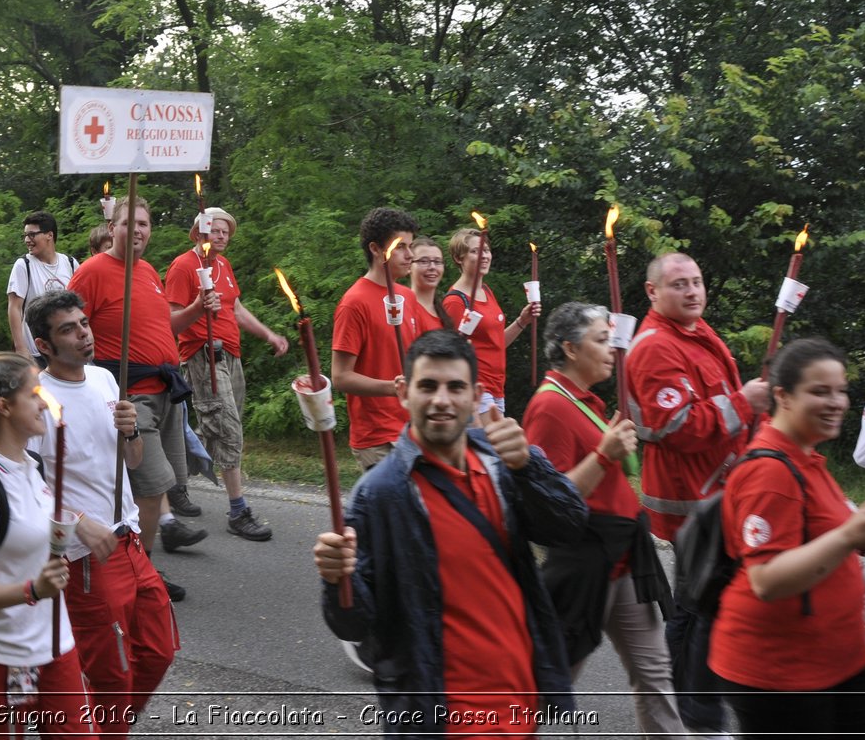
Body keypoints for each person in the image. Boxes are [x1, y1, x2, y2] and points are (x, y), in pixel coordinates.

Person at [314, 329, 588, 734]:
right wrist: (337, 579)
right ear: (404, 392)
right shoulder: (379, 494)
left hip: (521, 704)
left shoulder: (503, 462)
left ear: (477, 395)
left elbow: (568, 526)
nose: (441, 399)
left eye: (455, 387)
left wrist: (530, 467)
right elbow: (354, 625)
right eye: (428, 386)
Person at [709, 338, 865, 739]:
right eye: (819, 391)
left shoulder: (806, 456)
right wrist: (848, 534)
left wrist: (855, 527)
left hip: (837, 659)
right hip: (781, 672)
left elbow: (819, 537)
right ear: (783, 396)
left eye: (841, 390)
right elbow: (767, 580)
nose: (837, 402)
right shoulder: (770, 472)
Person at [522, 303, 683, 738]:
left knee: (654, 675)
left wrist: (609, 448)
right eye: (599, 340)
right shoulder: (549, 408)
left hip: (625, 560)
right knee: (552, 679)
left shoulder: (583, 401)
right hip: (584, 564)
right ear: (571, 349)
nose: (611, 348)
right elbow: (548, 504)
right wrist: (604, 454)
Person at [624, 251, 768, 736]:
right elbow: (679, 425)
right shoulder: (656, 347)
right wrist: (744, 402)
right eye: (680, 284)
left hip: (719, 495)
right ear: (653, 292)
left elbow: (724, 405)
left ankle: (680, 708)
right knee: (703, 607)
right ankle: (696, 717)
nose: (692, 292)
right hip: (694, 504)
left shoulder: (695, 332)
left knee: (695, 606)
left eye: (697, 282)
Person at [28, 289, 178, 737]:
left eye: (84, 324)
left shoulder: (105, 380)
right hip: (85, 557)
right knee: (111, 674)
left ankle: (90, 728)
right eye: (67, 330)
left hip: (129, 539)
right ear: (44, 345)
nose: (82, 335)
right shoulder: (36, 399)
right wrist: (76, 520)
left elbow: (130, 460)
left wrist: (131, 433)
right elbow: (24, 486)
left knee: (159, 651)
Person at [0, 352, 97, 736]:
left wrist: (79, 524)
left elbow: (34, 520)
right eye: (35, 394)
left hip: (54, 644)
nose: (44, 402)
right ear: (4, 407)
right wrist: (34, 589)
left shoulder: (32, 464)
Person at [67, 200, 212, 558]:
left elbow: (165, 326)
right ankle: (142, 571)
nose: (138, 230)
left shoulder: (147, 271)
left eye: (144, 223)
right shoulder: (93, 271)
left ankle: (139, 563)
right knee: (150, 487)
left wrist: (196, 308)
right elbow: (67, 326)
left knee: (164, 485)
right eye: (128, 222)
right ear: (112, 228)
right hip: (130, 395)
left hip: (165, 392)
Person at [163, 208, 288, 539]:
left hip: (231, 357)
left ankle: (171, 483)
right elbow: (171, 319)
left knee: (214, 429)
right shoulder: (184, 266)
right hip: (204, 358)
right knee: (227, 432)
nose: (221, 236)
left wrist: (269, 335)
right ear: (198, 233)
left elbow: (236, 308)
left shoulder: (222, 265)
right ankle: (238, 511)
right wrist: (199, 307)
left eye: (226, 231)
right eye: (215, 231)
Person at [331, 207, 424, 471]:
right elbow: (340, 377)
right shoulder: (354, 303)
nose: (410, 255)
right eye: (401, 247)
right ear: (375, 249)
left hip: (413, 429)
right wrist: (393, 388)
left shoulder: (408, 297)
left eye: (412, 246)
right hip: (377, 438)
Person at [442, 227, 540, 414]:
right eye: (475, 251)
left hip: (497, 387)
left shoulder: (486, 291)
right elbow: (450, 353)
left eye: (486, 250)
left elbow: (496, 343)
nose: (484, 256)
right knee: (498, 440)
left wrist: (522, 321)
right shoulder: (455, 301)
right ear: (458, 258)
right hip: (475, 387)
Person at [8, 211, 79, 360]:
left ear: (49, 235)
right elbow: (14, 308)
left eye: (32, 235)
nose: (27, 240)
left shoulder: (70, 263)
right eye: (25, 235)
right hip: (36, 354)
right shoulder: (24, 265)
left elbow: (79, 307)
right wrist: (21, 349)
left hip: (67, 351)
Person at [407, 237, 450, 332]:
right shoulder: (407, 310)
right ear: (409, 266)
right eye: (424, 261)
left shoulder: (441, 311)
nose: (432, 267)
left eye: (437, 262)